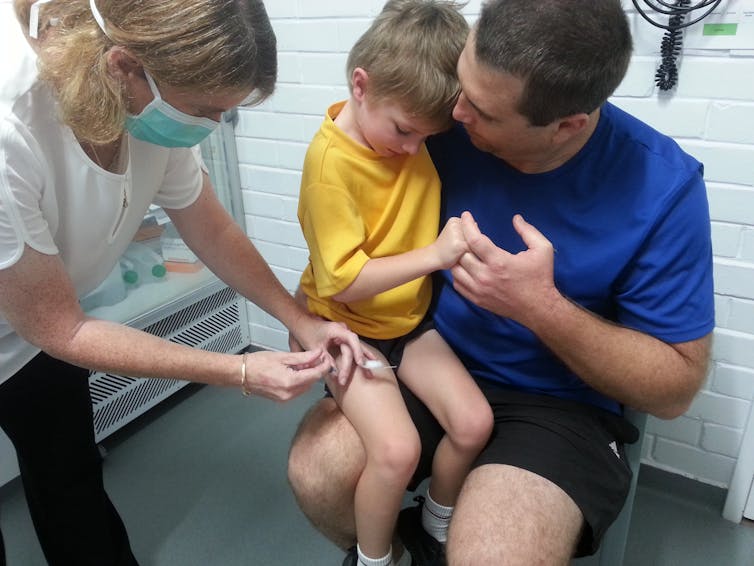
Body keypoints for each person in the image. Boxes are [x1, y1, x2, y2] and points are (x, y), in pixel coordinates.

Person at [287, 0, 715, 564]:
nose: (456, 113)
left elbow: (674, 389)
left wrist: (541, 307)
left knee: (494, 555)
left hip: (557, 405)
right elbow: (345, 229)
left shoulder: (662, 189)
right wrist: (308, 314)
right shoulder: (441, 123)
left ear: (567, 126)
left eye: (482, 111)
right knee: (319, 473)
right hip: (423, 349)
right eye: (459, 87)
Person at [0, 1, 365, 565]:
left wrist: (301, 320)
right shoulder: (9, 126)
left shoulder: (137, 103)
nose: (212, 126)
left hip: (40, 318)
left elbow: (210, 226)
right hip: (39, 315)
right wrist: (240, 369)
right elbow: (61, 327)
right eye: (203, 109)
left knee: (68, 475)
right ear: (122, 66)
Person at [295, 2, 491, 565]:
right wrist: (436, 254)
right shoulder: (331, 166)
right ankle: (376, 558)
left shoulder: (407, 127)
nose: (412, 148)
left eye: (426, 136)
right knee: (397, 450)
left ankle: (435, 521)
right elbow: (347, 278)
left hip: (408, 323)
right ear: (361, 85)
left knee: (473, 423)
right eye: (404, 131)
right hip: (352, 331)